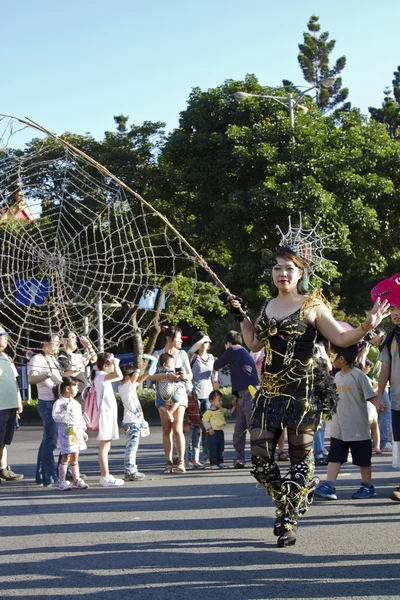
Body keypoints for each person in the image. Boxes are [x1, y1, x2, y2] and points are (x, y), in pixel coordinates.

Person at [230, 242, 389, 547]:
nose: (282, 273)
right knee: (261, 461)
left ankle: (288, 517)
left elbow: (341, 337)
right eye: (277, 267)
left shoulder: (312, 305)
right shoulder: (265, 306)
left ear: (300, 272)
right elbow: (253, 345)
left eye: (289, 268)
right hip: (268, 392)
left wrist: (366, 326)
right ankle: (298, 495)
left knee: (300, 460)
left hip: (301, 392)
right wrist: (241, 316)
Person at [315, 344, 378, 500]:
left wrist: (379, 405)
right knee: (334, 457)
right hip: (339, 428)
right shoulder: (336, 376)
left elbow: (370, 396)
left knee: (363, 459)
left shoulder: (358, 375)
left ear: (341, 359)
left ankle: (367, 486)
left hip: (357, 426)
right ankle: (329, 485)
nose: (331, 360)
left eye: (333, 356)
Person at [148, 326, 192, 474]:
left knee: (177, 427)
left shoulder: (182, 354)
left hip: (179, 393)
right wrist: (167, 376)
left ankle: (181, 462)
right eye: (178, 337)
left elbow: (190, 375)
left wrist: (183, 376)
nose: (180, 340)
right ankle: (168, 462)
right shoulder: (157, 354)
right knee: (166, 428)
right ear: (168, 338)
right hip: (162, 393)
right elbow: (150, 376)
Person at [213, 330, 258, 468]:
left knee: (246, 429)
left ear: (227, 343)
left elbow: (216, 365)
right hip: (246, 393)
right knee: (244, 428)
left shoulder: (232, 349)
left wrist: (213, 361)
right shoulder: (243, 351)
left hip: (248, 393)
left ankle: (247, 458)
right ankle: (249, 458)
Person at [28, 332, 62, 487]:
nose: (57, 345)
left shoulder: (53, 359)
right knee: (51, 441)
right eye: (54, 342)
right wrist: (47, 375)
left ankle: (42, 475)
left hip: (54, 402)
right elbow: (31, 378)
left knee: (47, 440)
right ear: (45, 343)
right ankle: (50, 476)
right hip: (46, 402)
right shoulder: (38, 359)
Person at [376, 303, 400, 501]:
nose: (395, 313)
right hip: (397, 398)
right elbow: (385, 369)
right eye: (393, 309)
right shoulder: (391, 337)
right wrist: (379, 395)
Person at [92, 352, 124, 487]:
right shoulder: (100, 376)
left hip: (108, 413)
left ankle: (106, 475)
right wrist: (115, 362)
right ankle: (104, 476)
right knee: (104, 446)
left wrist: (114, 362)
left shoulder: (102, 376)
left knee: (107, 445)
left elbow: (120, 376)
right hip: (104, 414)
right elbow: (118, 375)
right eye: (110, 363)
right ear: (106, 365)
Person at [52, 376, 89, 491]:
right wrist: (66, 415)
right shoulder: (60, 403)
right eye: (76, 386)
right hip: (67, 433)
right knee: (66, 455)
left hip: (77, 433)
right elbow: (55, 416)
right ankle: (61, 480)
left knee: (75, 456)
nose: (78, 389)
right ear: (68, 388)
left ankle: (76, 479)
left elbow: (80, 417)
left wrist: (83, 430)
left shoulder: (75, 403)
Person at [189, 331, 219, 464]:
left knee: (208, 428)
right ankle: (193, 458)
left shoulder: (212, 358)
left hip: (208, 396)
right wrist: (199, 342)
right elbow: (190, 352)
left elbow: (214, 379)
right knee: (194, 429)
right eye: (202, 342)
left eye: (207, 342)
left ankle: (207, 456)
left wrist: (217, 397)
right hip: (195, 395)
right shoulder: (192, 357)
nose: (204, 344)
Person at [118, 363, 150, 482]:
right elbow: (136, 375)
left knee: (132, 447)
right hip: (131, 422)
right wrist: (138, 368)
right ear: (126, 378)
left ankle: (131, 469)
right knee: (131, 447)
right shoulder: (125, 387)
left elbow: (140, 378)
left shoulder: (129, 387)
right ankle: (130, 470)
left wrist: (147, 371)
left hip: (134, 421)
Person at [0, 326, 24, 483]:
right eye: (3, 336)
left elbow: (15, 381)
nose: (6, 339)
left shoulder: (6, 358)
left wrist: (19, 401)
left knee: (4, 440)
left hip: (9, 405)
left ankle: (3, 469)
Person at [202, 390, 236, 469]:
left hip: (220, 431)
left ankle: (220, 462)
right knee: (213, 448)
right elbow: (205, 420)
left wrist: (234, 406)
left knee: (221, 447)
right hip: (212, 432)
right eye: (219, 400)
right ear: (211, 401)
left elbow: (229, 413)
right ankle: (213, 463)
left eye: (221, 400)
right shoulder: (209, 412)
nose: (221, 402)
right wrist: (209, 428)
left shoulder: (221, 409)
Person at [155, 353, 181, 423]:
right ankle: (171, 411)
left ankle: (167, 413)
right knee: (178, 401)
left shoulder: (157, 371)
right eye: (171, 363)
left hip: (160, 392)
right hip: (170, 391)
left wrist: (150, 385)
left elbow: (153, 378)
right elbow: (175, 378)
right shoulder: (169, 371)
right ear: (164, 364)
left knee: (159, 404)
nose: (172, 365)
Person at [184, 386, 204, 469]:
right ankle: (187, 461)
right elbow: (183, 412)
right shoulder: (184, 396)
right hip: (189, 424)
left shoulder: (194, 395)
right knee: (188, 444)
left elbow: (198, 410)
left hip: (197, 424)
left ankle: (195, 460)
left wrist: (201, 421)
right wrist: (185, 424)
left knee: (197, 443)